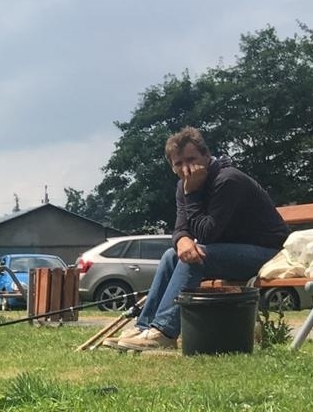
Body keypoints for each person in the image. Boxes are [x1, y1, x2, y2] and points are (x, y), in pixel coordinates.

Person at [110, 126, 289, 350]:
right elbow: (181, 228)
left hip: (267, 253)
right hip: (231, 251)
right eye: (178, 164)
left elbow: (207, 234)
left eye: (192, 159)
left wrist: (192, 194)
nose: (186, 168)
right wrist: (181, 240)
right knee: (170, 255)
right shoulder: (184, 185)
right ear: (172, 167)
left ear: (206, 155)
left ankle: (164, 332)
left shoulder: (227, 180)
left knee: (197, 257)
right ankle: (144, 326)